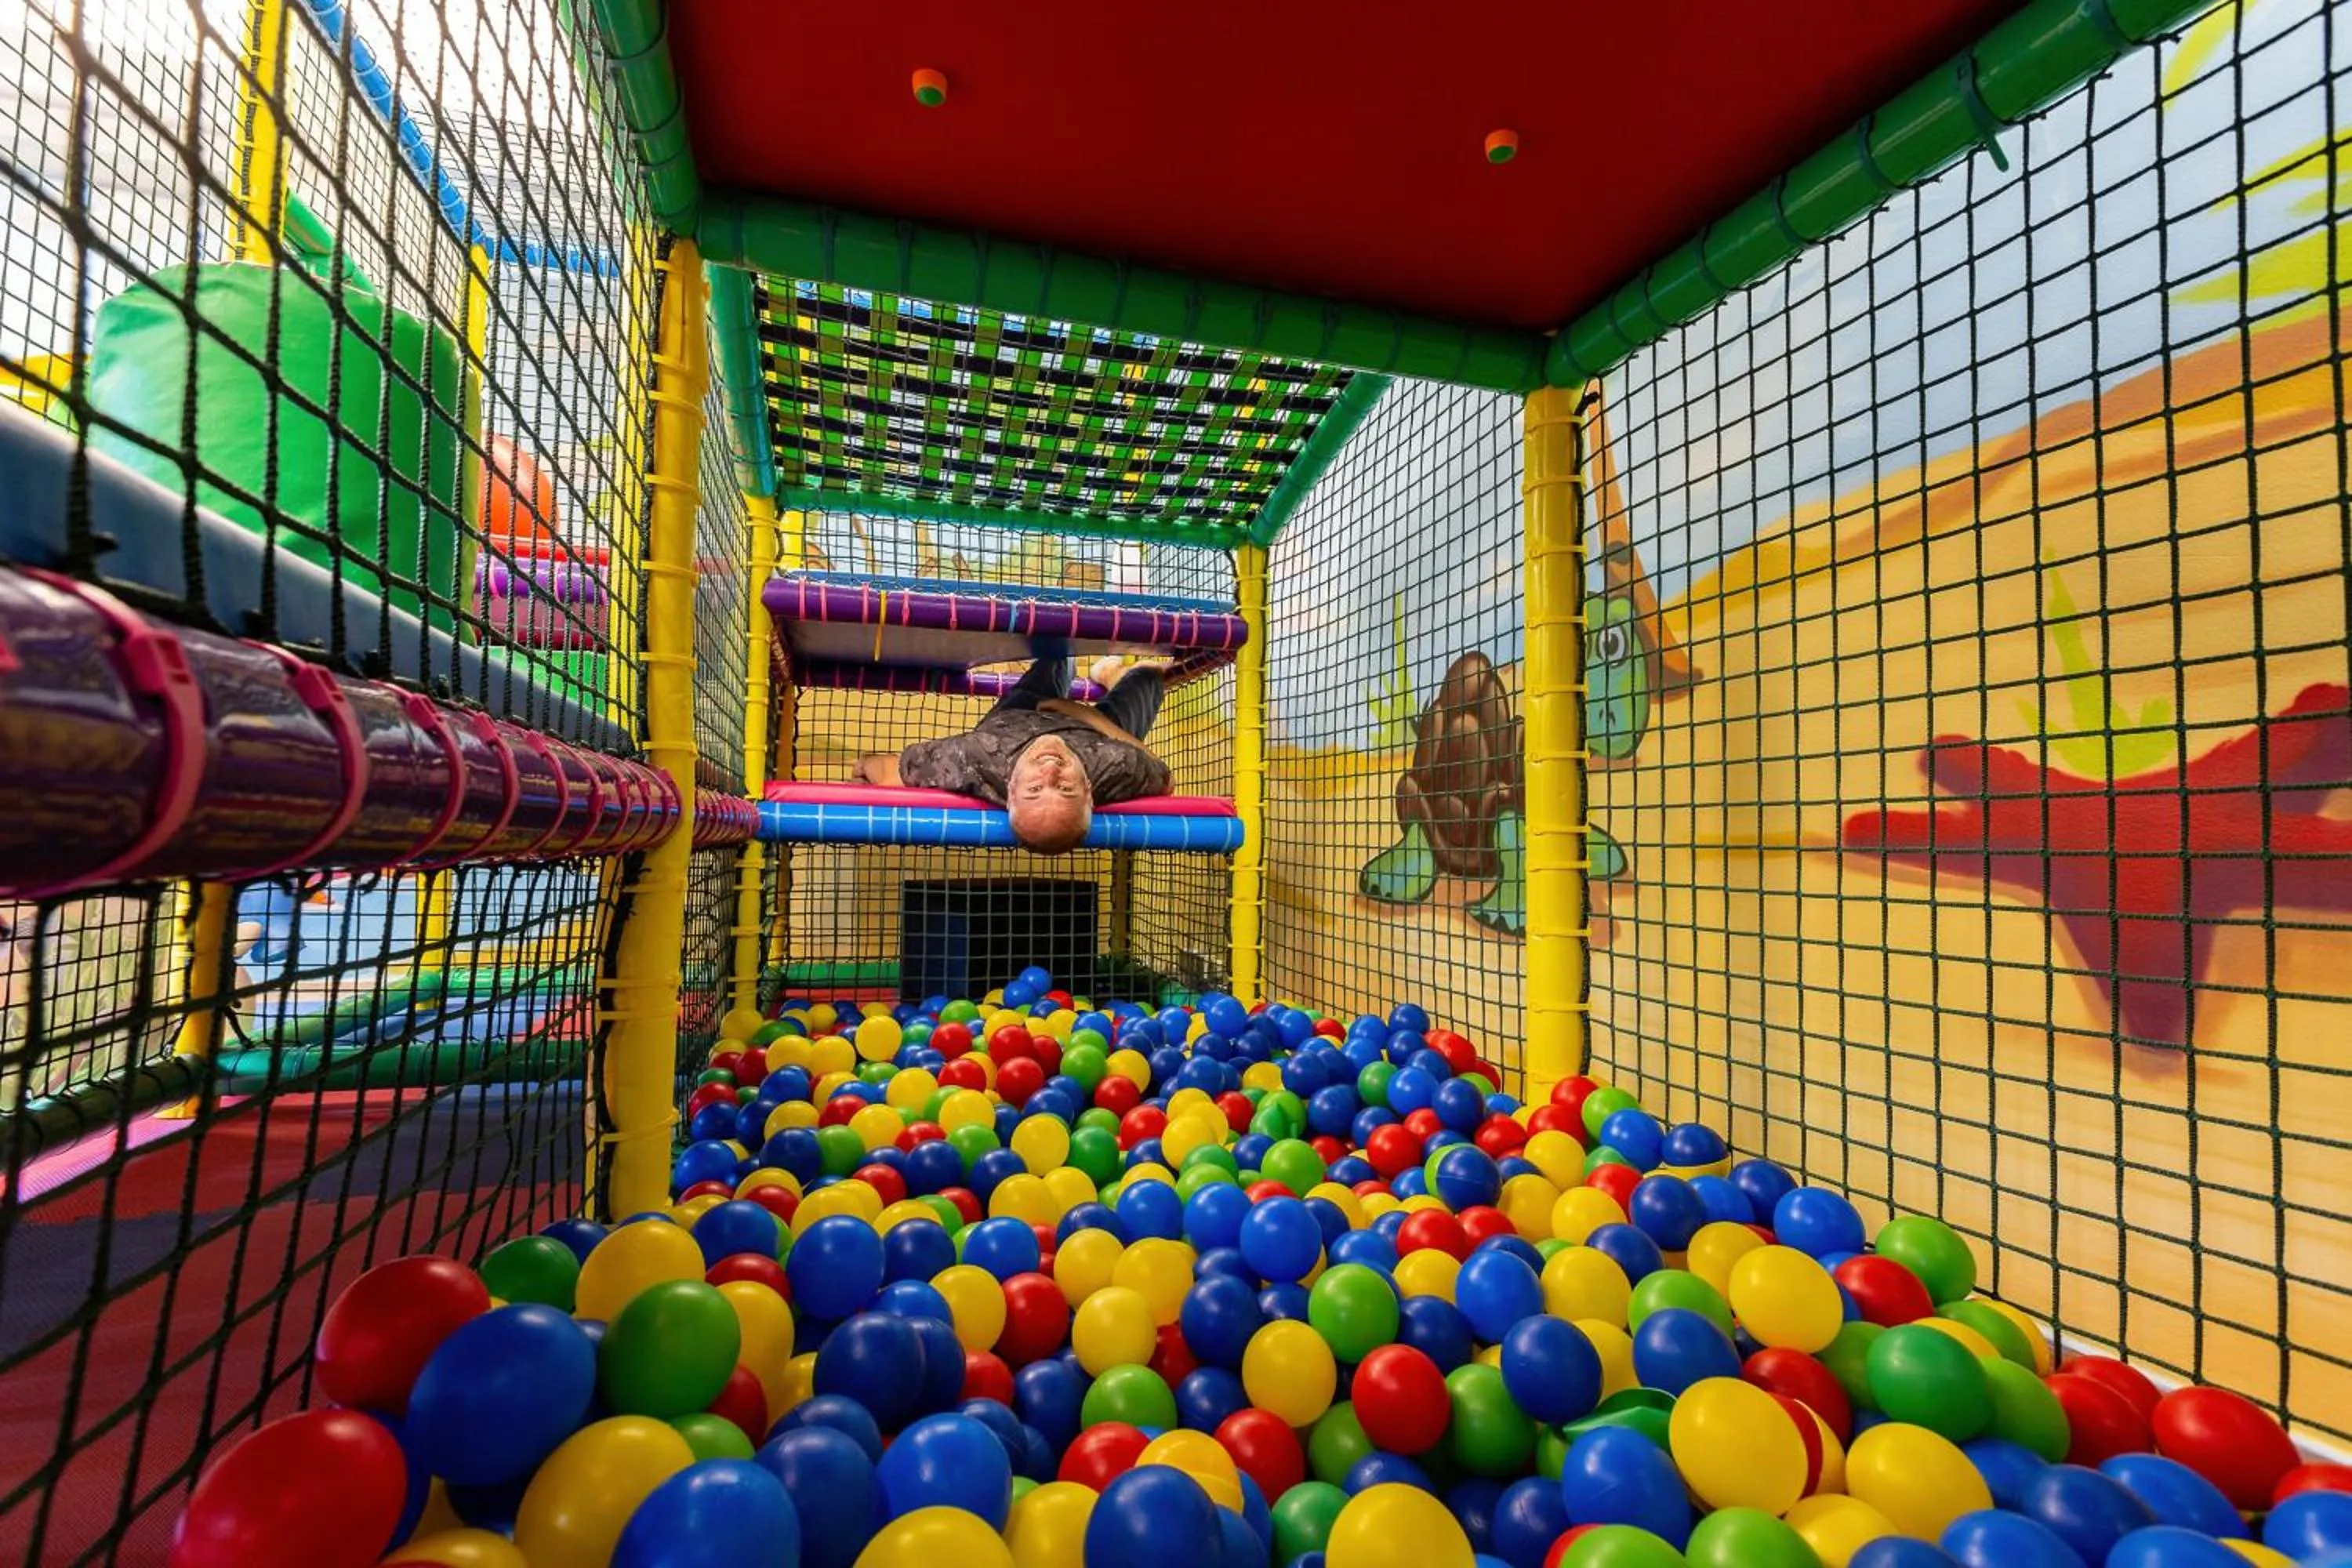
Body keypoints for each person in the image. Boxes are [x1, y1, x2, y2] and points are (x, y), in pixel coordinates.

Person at [854, 655, 1170, 854]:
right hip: (1093, 734)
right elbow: (1164, 776)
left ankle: (1073, 668)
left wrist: (863, 767)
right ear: (1089, 790)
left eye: (1035, 789)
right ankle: (1109, 676)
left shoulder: (976, 757)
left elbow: (887, 771)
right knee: (1151, 674)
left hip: (1019, 716)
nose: (1050, 773)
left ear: (1011, 792)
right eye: (1065, 788)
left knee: (1058, 658)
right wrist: (1084, 714)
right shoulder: (1114, 766)